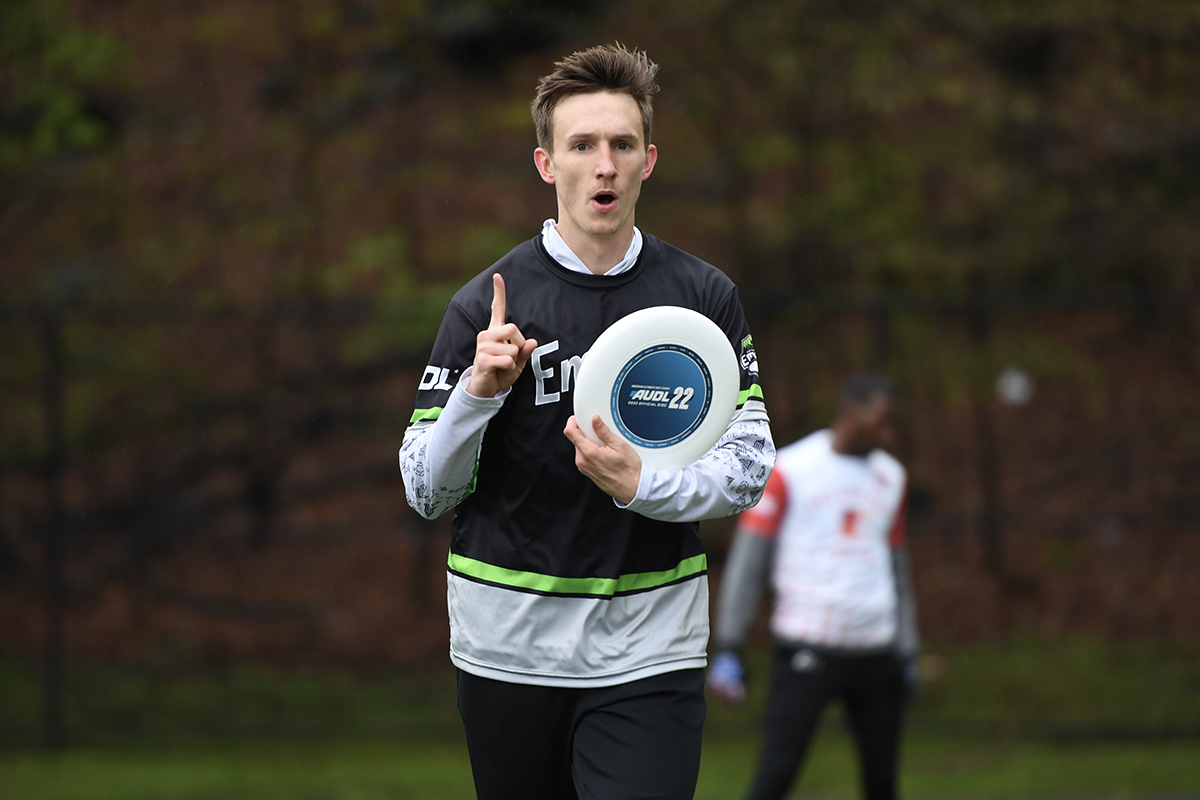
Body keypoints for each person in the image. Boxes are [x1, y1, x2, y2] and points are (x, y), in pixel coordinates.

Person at [399, 43, 774, 800]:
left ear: (648, 161)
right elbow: (425, 491)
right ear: (546, 164)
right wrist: (477, 394)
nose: (604, 165)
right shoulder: (484, 308)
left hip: (650, 646)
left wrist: (643, 486)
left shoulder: (703, 298)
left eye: (622, 145)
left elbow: (749, 468)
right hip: (507, 648)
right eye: (582, 146)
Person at [707, 371, 919, 800]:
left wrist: (907, 648)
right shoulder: (790, 469)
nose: (888, 434)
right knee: (775, 775)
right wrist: (730, 643)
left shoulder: (892, 477)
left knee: (882, 782)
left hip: (876, 651)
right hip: (807, 647)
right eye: (880, 422)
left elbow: (897, 567)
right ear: (851, 412)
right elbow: (749, 563)